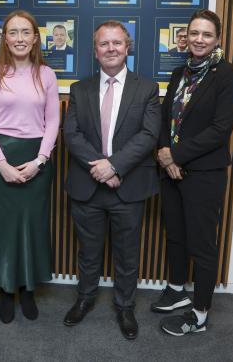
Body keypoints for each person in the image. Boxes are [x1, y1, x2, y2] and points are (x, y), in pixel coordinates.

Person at [63, 21, 161, 340]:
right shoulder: (79, 89)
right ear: (95, 50)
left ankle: (125, 306)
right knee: (88, 251)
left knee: (127, 253)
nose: (111, 49)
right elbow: (71, 133)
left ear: (127, 47)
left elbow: (148, 135)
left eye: (117, 43)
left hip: (128, 186)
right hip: (88, 185)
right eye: (104, 44)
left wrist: (115, 167)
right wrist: (100, 168)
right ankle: (86, 298)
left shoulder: (146, 88)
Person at [153, 9, 233, 336]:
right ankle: (177, 289)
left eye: (206, 34)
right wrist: (165, 157)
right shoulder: (179, 74)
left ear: (217, 39)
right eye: (194, 33)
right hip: (171, 170)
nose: (199, 39)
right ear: (185, 37)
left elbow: (221, 129)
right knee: (175, 234)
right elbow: (165, 120)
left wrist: (173, 154)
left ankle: (201, 312)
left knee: (202, 244)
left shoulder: (228, 74)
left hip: (204, 172)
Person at [0, 10, 60, 324]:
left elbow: (52, 121)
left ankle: (27, 290)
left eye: (26, 32)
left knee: (31, 227)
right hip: (1, 156)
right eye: (14, 32)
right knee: (3, 230)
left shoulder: (47, 75)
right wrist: (0, 163)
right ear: (5, 38)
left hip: (36, 159)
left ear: (35, 37)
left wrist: (40, 160)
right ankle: (6, 292)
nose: (20, 38)